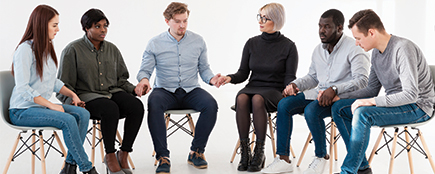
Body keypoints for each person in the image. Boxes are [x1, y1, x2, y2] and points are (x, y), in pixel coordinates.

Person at [261, 9, 370, 174]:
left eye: (327, 27)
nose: (321, 30)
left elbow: (362, 81)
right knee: (284, 104)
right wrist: (295, 85)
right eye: (320, 26)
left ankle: (320, 158)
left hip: (341, 98)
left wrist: (334, 89)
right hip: (319, 94)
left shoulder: (354, 48)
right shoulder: (319, 49)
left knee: (312, 110)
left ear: (339, 28)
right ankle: (283, 159)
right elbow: (312, 77)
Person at [331, 9, 434, 174]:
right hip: (396, 104)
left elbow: (410, 94)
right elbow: (371, 89)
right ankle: (362, 169)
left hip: (417, 107)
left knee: (363, 113)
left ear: (371, 33)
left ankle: (349, 171)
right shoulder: (376, 54)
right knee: (339, 108)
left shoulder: (403, 49)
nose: (356, 43)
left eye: (358, 38)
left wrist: (371, 101)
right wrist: (340, 96)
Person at [9, 5, 98, 174]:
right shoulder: (25, 50)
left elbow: (53, 82)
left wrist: (73, 95)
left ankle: (70, 167)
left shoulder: (47, 49)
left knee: (83, 114)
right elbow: (23, 89)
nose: (58, 29)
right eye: (54, 25)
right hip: (21, 111)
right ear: (42, 25)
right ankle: (88, 169)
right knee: (68, 119)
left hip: (40, 107)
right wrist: (51, 105)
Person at [135, 2, 221, 174]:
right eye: (177, 21)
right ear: (167, 21)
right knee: (154, 103)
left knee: (211, 105)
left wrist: (212, 79)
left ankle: (196, 151)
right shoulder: (155, 43)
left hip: (190, 90)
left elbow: (204, 68)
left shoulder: (198, 41)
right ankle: (162, 157)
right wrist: (144, 81)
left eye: (185, 21)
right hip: (165, 91)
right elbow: (145, 70)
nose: (182, 25)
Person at [57, 8, 144, 174]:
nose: (103, 30)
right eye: (97, 26)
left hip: (111, 92)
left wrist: (135, 89)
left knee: (136, 106)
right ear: (86, 28)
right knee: (110, 108)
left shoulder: (112, 49)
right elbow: (64, 85)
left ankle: (123, 153)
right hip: (86, 96)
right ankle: (110, 156)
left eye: (105, 26)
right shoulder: (72, 50)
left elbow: (121, 80)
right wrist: (73, 102)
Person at [218, 3, 298, 172]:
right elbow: (243, 73)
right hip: (254, 86)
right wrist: (229, 78)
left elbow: (289, 77)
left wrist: (292, 87)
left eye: (265, 18)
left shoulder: (289, 46)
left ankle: (259, 152)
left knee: (257, 99)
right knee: (242, 97)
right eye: (259, 17)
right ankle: (245, 151)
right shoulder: (251, 43)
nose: (260, 21)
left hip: (275, 91)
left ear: (276, 20)